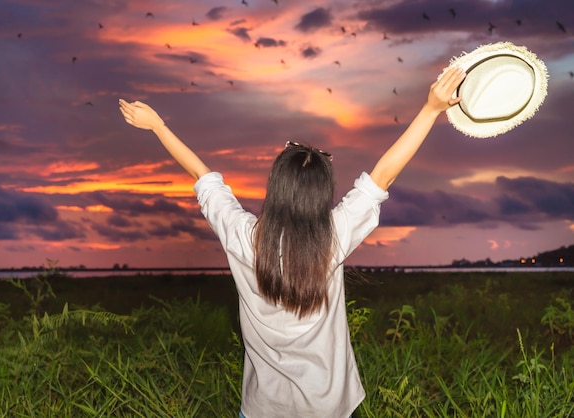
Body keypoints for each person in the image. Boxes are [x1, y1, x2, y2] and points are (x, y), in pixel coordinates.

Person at [118, 66, 466, 418]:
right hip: (328, 407)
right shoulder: (332, 238)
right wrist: (430, 110)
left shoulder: (244, 237)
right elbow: (384, 175)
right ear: (320, 195)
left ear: (276, 188)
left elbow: (202, 175)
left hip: (262, 408)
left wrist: (158, 126)